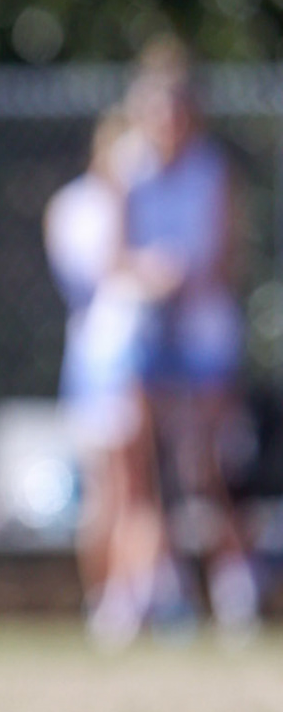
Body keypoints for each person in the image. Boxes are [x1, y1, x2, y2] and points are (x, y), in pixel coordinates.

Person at [122, 39, 259, 636]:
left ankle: (235, 583)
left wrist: (189, 279)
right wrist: (153, 275)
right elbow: (117, 252)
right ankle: (156, 587)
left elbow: (226, 257)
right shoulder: (128, 168)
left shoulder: (212, 172)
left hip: (201, 329)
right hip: (148, 328)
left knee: (202, 464)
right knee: (146, 469)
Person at [44, 107, 166, 641]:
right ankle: (113, 595)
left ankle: (136, 592)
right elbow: (98, 276)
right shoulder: (80, 206)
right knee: (113, 482)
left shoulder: (145, 202)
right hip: (105, 356)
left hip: (135, 351)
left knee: (137, 480)